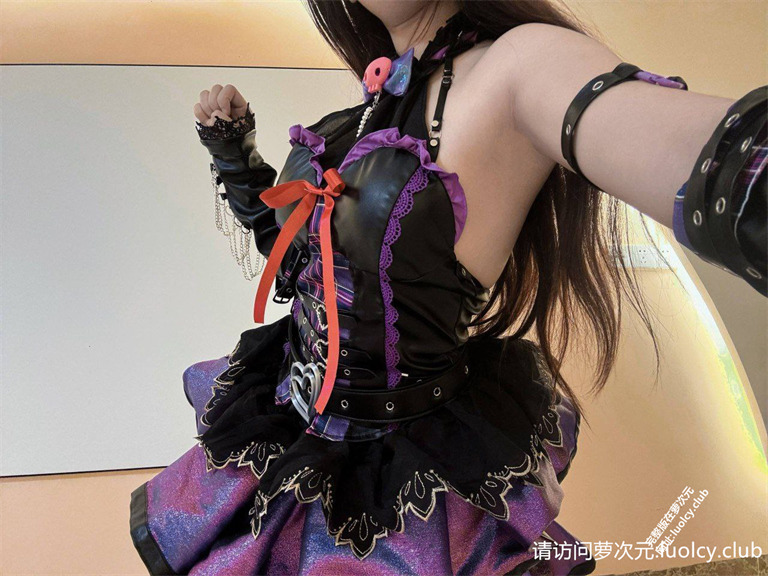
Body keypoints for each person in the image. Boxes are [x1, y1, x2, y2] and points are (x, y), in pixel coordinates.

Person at [129, 1, 767, 574]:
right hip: (285, 442)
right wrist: (235, 157)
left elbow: (719, 162)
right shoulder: (372, 104)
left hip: (404, 493)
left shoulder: (516, 67)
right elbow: (299, 252)